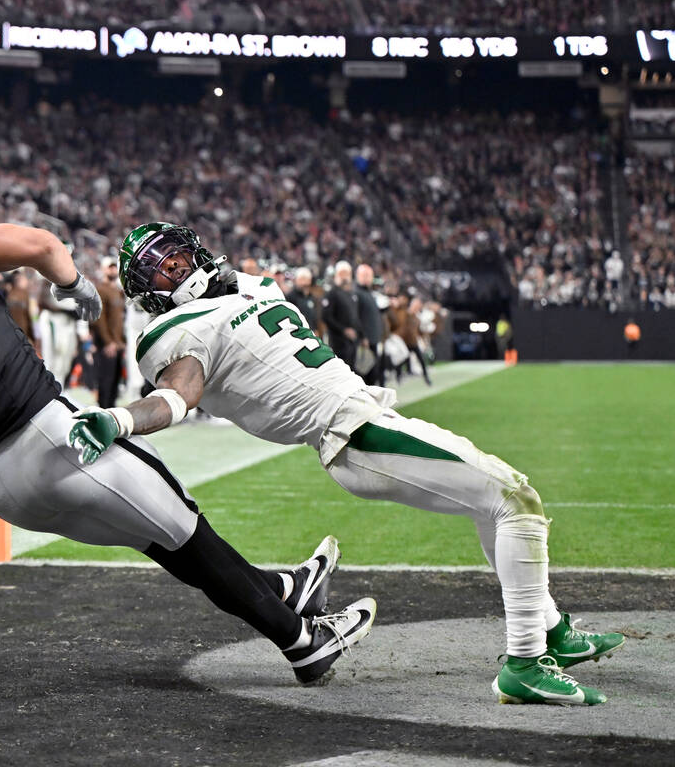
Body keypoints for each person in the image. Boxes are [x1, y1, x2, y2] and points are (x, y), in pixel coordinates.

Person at [0, 197, 375, 686]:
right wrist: (74, 284)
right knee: (183, 528)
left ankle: (286, 589)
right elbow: (39, 244)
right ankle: (303, 640)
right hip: (49, 433)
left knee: (161, 538)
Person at [70, 221, 624, 706]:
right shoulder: (178, 332)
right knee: (515, 499)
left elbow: (252, 290)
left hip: (365, 417)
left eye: (177, 254)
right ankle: (525, 664)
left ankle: (548, 629)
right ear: (151, 296)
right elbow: (178, 395)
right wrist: (120, 421)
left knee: (491, 502)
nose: (176, 266)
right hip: (351, 433)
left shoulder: (246, 289)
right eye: (160, 269)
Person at [90, 256, 125, 407]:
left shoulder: (117, 290)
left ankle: (111, 413)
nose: (113, 270)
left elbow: (119, 320)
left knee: (115, 381)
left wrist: (121, 341)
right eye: (109, 267)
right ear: (103, 269)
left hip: (117, 344)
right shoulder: (100, 289)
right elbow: (99, 319)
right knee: (106, 380)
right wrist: (108, 342)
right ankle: (103, 413)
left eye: (114, 267)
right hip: (107, 345)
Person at [320, 261, 361, 372]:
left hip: (352, 341)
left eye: (347, 273)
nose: (344, 277)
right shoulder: (332, 293)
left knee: (353, 371)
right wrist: (344, 330)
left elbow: (355, 316)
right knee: (343, 372)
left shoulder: (351, 294)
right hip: (338, 341)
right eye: (342, 273)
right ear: (336, 275)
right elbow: (326, 316)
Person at [353, 264, 386, 386]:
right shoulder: (356, 292)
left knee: (373, 373)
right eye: (364, 275)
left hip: (373, 338)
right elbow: (355, 317)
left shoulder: (369, 293)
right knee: (364, 374)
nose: (367, 278)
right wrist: (362, 336)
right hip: (364, 341)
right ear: (358, 276)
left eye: (369, 275)